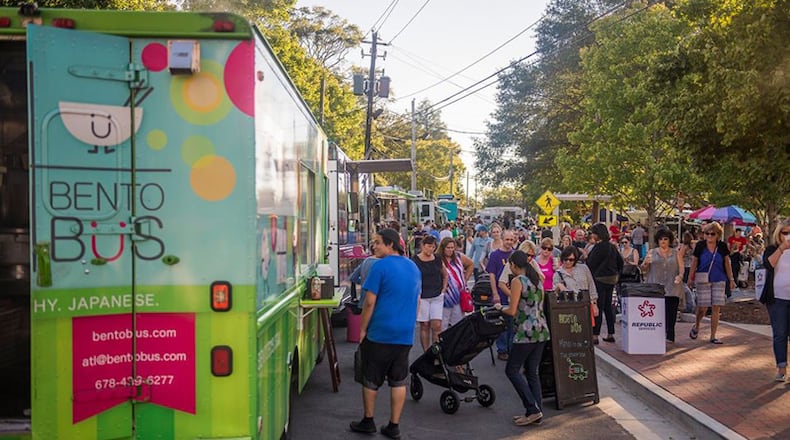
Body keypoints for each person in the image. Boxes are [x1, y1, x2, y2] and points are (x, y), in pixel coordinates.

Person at [351, 229, 421, 439]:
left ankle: (368, 420)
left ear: (390, 244)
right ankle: (394, 425)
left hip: (380, 332)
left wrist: (362, 329)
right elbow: (417, 300)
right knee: (398, 380)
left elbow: (370, 302)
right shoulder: (413, 267)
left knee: (371, 378)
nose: (374, 247)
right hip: (404, 333)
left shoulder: (380, 266)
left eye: (378, 243)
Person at [501, 250, 550, 427]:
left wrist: (499, 308)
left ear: (513, 265)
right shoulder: (537, 279)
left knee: (512, 370)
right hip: (541, 330)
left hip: (525, 332)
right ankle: (536, 411)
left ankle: (532, 409)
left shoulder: (517, 281)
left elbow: (512, 310)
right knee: (532, 371)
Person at [687, 221, 736, 345]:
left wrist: (731, 279)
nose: (709, 236)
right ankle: (697, 325)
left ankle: (713, 335)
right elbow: (694, 262)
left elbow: (727, 262)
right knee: (703, 307)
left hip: (719, 278)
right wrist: (690, 278)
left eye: (712, 234)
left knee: (716, 306)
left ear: (718, 235)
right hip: (703, 278)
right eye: (707, 233)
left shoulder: (722, 247)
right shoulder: (700, 246)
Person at [641, 229, 685, 343]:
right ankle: (659, 334)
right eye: (661, 239)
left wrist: (680, 276)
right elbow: (643, 268)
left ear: (669, 240)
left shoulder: (676, 253)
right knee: (659, 312)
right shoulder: (652, 252)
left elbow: (681, 268)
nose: (663, 241)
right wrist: (646, 263)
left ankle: (670, 335)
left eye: (665, 239)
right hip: (657, 286)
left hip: (672, 286)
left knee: (672, 311)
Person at [759, 218, 790, 381]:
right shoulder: (772, 249)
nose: (788, 236)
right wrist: (782, 248)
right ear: (779, 233)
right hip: (776, 299)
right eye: (785, 233)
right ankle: (781, 368)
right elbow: (768, 264)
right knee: (780, 334)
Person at [585, 223, 623, 344]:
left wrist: (586, 256)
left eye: (593, 233)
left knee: (598, 307)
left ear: (597, 234)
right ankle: (610, 333)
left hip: (599, 279)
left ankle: (595, 335)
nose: (592, 235)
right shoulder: (612, 247)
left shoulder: (598, 247)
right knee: (608, 306)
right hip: (611, 279)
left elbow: (590, 264)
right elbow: (620, 262)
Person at [553, 246, 599, 342]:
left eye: (571, 260)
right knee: (573, 334)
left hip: (585, 305)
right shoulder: (558, 274)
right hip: (569, 308)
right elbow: (554, 294)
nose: (568, 262)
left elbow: (591, 285)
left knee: (586, 333)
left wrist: (594, 303)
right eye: (565, 259)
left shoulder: (583, 268)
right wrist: (559, 286)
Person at [412, 235, 447, 352]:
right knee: (425, 325)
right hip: (422, 296)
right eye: (428, 246)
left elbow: (445, 274)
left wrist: (444, 289)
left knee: (437, 325)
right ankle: (426, 352)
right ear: (422, 246)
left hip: (437, 295)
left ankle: (436, 352)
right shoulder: (415, 260)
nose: (431, 249)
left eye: (433, 247)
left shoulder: (437, 258)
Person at [486, 230, 517, 360]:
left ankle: (512, 349)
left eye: (511, 240)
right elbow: (492, 275)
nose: (509, 242)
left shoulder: (516, 255)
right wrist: (494, 293)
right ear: (502, 240)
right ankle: (502, 349)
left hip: (514, 293)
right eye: (507, 239)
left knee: (513, 324)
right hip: (501, 293)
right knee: (502, 323)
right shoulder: (495, 255)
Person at [438, 237, 474, 331]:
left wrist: (465, 279)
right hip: (445, 296)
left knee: (458, 324)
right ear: (443, 248)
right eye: (448, 248)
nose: (450, 250)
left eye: (452, 247)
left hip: (459, 295)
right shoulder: (438, 259)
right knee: (443, 325)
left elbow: (471, 264)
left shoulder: (458, 256)